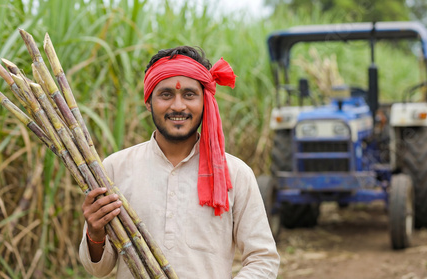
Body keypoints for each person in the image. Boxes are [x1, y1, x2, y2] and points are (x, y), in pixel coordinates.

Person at [79, 46, 280, 278]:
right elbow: (98, 269)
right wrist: (95, 232)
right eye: (166, 95)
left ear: (205, 101)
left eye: (189, 95)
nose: (178, 106)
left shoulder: (235, 173)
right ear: (148, 103)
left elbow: (262, 258)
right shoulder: (115, 168)